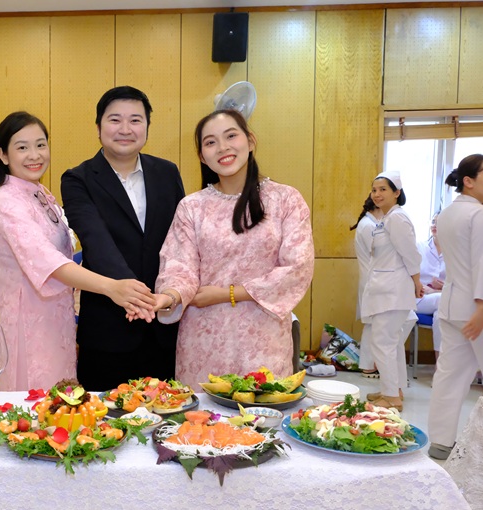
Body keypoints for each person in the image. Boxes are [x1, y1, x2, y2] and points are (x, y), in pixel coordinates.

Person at [0, 111, 155, 391]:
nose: (34, 155)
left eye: (41, 145)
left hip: (57, 320)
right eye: (22, 147)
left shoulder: (39, 194)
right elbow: (49, 262)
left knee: (62, 398)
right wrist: (112, 287)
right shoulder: (6, 201)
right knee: (37, 401)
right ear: (3, 155)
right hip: (30, 324)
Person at [151, 109, 314, 387]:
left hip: (263, 337)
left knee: (261, 408)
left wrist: (226, 294)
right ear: (202, 156)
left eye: (231, 136)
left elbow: (297, 267)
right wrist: (168, 297)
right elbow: (179, 266)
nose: (222, 147)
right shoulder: (192, 207)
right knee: (202, 412)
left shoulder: (285, 199)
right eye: (210, 142)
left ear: (250, 141)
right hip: (203, 337)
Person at [61, 86, 185, 390]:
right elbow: (96, 241)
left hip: (163, 328)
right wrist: (137, 298)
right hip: (107, 332)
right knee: (101, 416)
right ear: (98, 127)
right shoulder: (78, 179)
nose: (125, 129)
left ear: (147, 127)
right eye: (115, 120)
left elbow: (180, 241)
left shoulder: (167, 173)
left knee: (165, 412)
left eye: (135, 120)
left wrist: (162, 298)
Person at [427, 154, 483, 460]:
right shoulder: (478, 214)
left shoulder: (447, 214)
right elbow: (482, 265)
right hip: (475, 309)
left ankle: (441, 441)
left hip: (450, 306)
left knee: (449, 375)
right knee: (451, 374)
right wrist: (481, 309)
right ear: (469, 181)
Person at [360, 171, 423, 412]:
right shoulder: (387, 219)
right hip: (386, 290)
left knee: (383, 342)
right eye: (374, 190)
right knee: (390, 343)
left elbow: (410, 254)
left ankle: (392, 397)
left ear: (397, 193)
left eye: (383, 189)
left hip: (393, 292)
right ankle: (394, 389)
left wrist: (417, 282)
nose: (377, 194)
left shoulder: (397, 218)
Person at [350, 195, 383, 377]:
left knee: (373, 323)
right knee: (373, 324)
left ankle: (372, 364)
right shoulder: (370, 226)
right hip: (373, 279)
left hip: (372, 279)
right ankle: (371, 365)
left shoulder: (367, 224)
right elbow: (380, 254)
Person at [415, 213, 445, 360]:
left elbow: (461, 282)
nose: (434, 225)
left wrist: (440, 288)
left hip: (443, 297)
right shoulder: (420, 247)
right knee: (443, 302)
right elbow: (409, 274)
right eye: (433, 221)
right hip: (419, 298)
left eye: (439, 222)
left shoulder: (455, 251)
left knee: (441, 314)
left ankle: (440, 363)